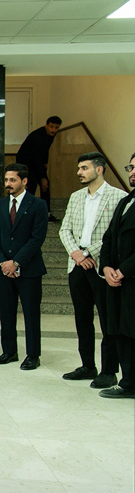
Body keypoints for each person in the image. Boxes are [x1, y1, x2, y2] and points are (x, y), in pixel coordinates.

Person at [58, 152, 126, 389]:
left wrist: (87, 253)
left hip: (101, 266)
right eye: (79, 168)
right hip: (77, 266)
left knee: (108, 321)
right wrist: (76, 254)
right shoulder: (76, 197)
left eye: (84, 168)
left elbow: (115, 235)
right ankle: (88, 366)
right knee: (82, 319)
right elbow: (64, 229)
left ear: (99, 169)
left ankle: (109, 371)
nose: (79, 172)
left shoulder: (119, 197)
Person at [0, 163, 48, 370]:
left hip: (29, 269)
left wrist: (15, 262)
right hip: (3, 269)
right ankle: (9, 351)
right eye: (6, 180)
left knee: (31, 313)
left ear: (24, 181)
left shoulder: (38, 205)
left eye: (12, 180)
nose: (8, 184)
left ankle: (33, 355)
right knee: (6, 312)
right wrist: (3, 262)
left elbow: (36, 238)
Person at [98, 154, 135, 399]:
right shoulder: (126, 201)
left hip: (130, 278)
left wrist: (124, 269)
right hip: (118, 282)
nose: (132, 172)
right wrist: (106, 267)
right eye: (131, 167)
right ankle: (128, 382)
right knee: (122, 332)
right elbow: (109, 237)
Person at [16, 116, 61, 220]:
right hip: (25, 162)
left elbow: (44, 151)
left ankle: (46, 213)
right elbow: (37, 158)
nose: (53, 130)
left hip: (35, 161)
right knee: (32, 185)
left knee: (45, 186)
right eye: (51, 127)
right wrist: (42, 177)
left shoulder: (49, 135)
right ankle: (24, 212)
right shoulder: (37, 137)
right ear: (46, 125)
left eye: (56, 128)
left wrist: (45, 163)